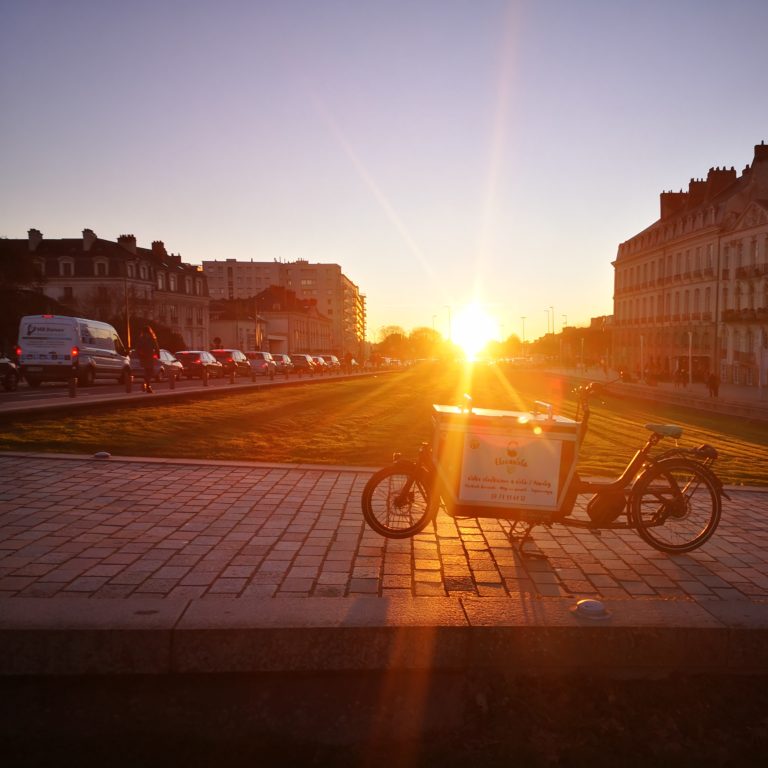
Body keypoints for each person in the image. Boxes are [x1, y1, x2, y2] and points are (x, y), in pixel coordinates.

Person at [135, 325, 159, 393]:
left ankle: (147, 386)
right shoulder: (152, 338)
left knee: (146, 371)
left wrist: (140, 354)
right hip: (149, 356)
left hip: (143, 357)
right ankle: (146, 384)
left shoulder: (141, 338)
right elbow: (156, 347)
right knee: (150, 372)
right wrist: (158, 354)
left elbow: (137, 348)